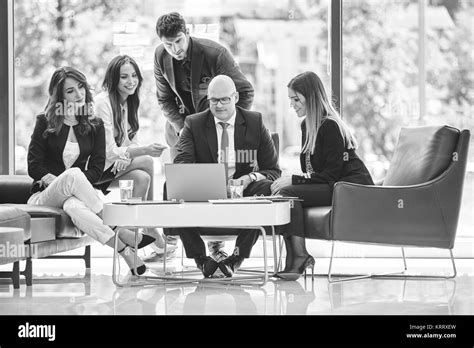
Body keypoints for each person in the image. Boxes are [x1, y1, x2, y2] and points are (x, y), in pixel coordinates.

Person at [27, 66, 152, 276]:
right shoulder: (45, 121)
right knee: (73, 175)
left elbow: (96, 168)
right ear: (59, 95)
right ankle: (118, 225)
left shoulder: (95, 125)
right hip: (44, 195)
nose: (79, 95)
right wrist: (61, 181)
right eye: (70, 91)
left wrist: (73, 186)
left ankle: (126, 254)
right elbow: (33, 165)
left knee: (75, 206)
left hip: (75, 197)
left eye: (81, 88)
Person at [154, 12, 255, 260]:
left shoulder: (215, 54)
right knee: (180, 184)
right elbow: (164, 99)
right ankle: (171, 241)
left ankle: (216, 246)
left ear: (187, 33)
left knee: (213, 184)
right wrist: (185, 127)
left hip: (214, 128)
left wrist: (222, 124)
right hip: (181, 129)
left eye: (178, 41)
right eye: (168, 44)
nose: (174, 49)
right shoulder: (160, 56)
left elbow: (245, 92)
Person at [173, 75, 280, 278]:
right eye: (214, 100)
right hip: (205, 189)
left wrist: (250, 178)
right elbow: (182, 163)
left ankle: (236, 259)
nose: (219, 105)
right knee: (173, 187)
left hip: (243, 190)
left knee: (265, 188)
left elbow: (273, 171)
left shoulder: (254, 122)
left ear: (236, 97)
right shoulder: (194, 123)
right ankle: (202, 260)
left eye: (224, 99)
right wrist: (208, 178)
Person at [270, 71, 374, 280]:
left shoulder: (330, 126)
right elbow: (315, 172)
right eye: (291, 99)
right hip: (334, 186)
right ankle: (297, 257)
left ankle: (299, 257)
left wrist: (294, 180)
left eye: (296, 99)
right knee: (288, 196)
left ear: (311, 97)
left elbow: (331, 175)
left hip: (350, 188)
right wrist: (295, 180)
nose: (292, 105)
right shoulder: (307, 125)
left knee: (289, 191)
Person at [94, 55, 177, 260]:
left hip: (114, 166)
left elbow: (130, 143)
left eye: (134, 76)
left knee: (142, 178)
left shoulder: (128, 103)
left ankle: (132, 238)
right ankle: (149, 228)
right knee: (147, 161)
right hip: (97, 168)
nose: (131, 81)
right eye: (124, 77)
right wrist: (138, 152)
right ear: (114, 79)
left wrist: (128, 154)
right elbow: (108, 151)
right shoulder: (102, 103)